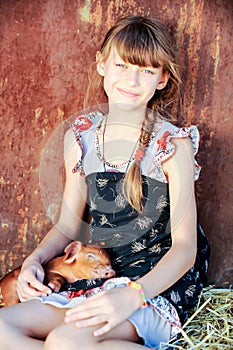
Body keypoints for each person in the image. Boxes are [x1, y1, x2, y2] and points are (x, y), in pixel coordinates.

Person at [0, 15, 210, 349]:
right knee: (2, 327)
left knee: (66, 342)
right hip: (99, 275)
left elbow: (185, 249)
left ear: (162, 78)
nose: (132, 79)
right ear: (101, 65)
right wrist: (34, 262)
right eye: (123, 66)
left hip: (153, 284)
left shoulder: (172, 146)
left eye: (146, 70)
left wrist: (131, 296)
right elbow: (69, 224)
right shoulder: (81, 137)